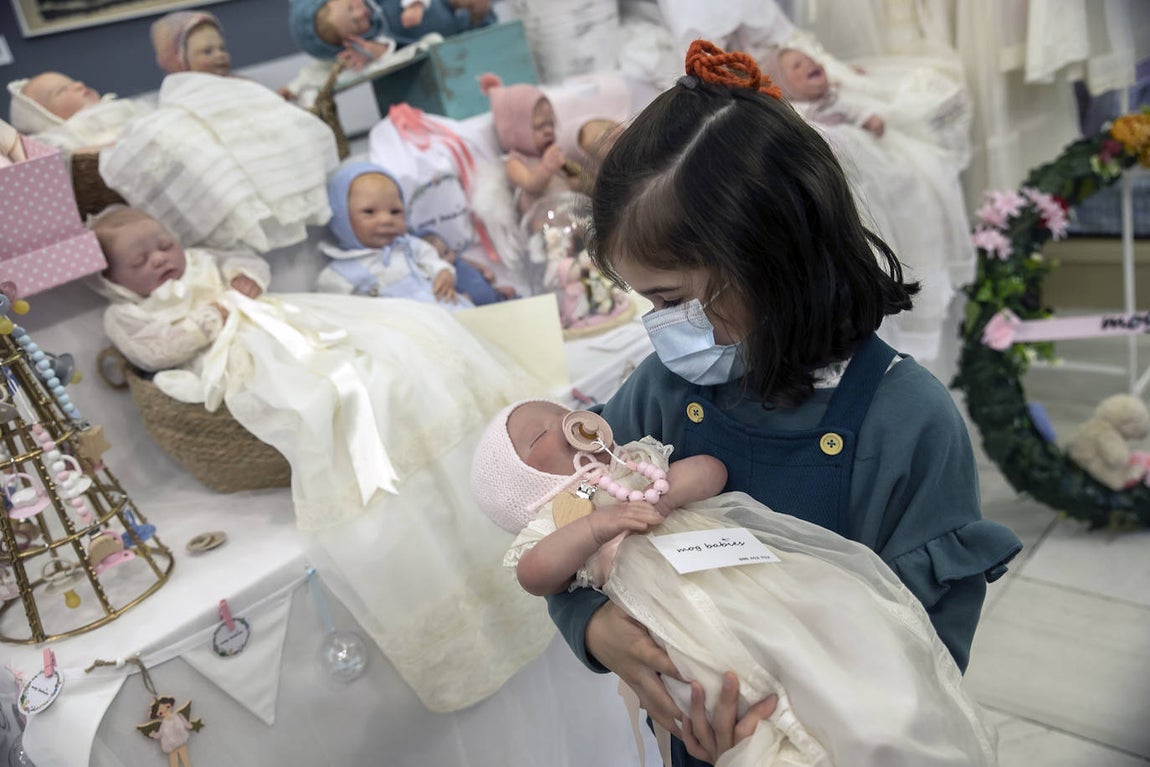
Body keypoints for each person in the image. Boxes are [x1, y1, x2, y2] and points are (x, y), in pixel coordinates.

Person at [544, 40, 1022, 766]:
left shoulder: (908, 424)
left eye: (671, 300)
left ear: (776, 262)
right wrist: (594, 626)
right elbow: (559, 519)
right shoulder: (662, 392)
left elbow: (926, 662)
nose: (659, 326)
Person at [472, 399, 998, 765]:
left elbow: (712, 470)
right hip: (674, 610)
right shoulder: (556, 519)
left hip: (740, 572)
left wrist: (669, 491)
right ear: (521, 482)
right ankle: (789, 743)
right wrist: (594, 527)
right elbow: (536, 575)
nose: (564, 420)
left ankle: (871, 714)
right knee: (726, 681)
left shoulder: (634, 460)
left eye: (562, 412)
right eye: (540, 432)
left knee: (821, 620)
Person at [91, 206, 527, 527]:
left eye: (165, 245)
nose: (160, 259)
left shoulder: (204, 261)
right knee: (307, 389)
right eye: (138, 261)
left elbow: (244, 261)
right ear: (111, 279)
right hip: (234, 349)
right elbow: (152, 351)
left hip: (280, 320)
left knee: (391, 334)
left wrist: (247, 280)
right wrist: (213, 317)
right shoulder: (127, 314)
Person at [318, 161, 469, 310]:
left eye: (395, 211)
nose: (386, 220)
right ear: (341, 217)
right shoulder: (341, 274)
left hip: (443, 306)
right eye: (369, 212)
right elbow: (336, 313)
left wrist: (444, 272)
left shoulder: (410, 246)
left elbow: (432, 261)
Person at [479, 73, 582, 218]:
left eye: (550, 124)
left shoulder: (549, 156)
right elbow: (532, 185)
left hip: (568, 214)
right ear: (514, 132)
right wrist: (547, 168)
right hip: (543, 225)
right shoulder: (515, 162)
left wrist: (576, 181)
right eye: (539, 126)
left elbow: (566, 184)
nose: (548, 131)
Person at [6, 72, 150, 152]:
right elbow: (68, 156)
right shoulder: (57, 137)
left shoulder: (117, 105)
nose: (79, 85)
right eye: (62, 90)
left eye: (72, 82)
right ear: (45, 115)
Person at [770, 47, 884, 137]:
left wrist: (868, 119)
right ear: (782, 85)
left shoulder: (830, 97)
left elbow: (851, 110)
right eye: (797, 66)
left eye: (811, 60)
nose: (809, 64)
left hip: (851, 147)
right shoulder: (795, 112)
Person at [415, 229, 518, 306]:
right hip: (476, 312)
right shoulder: (441, 279)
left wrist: (493, 287)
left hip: (496, 299)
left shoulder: (459, 261)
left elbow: (481, 271)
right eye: (439, 259)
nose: (447, 259)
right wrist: (460, 301)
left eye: (447, 252)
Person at [150, 11, 232, 77]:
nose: (220, 55)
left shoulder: (237, 83)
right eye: (207, 51)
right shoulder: (184, 96)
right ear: (177, 62)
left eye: (222, 49)